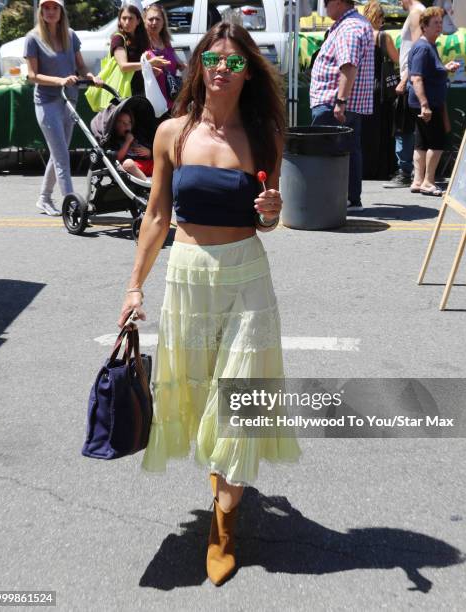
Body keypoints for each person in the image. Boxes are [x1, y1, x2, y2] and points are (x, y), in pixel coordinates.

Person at [117, 22, 301, 586]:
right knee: (201, 393)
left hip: (247, 279)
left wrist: (269, 209)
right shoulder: (174, 132)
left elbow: (267, 221)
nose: (224, 70)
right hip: (189, 278)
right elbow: (155, 217)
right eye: (214, 61)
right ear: (199, 67)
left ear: (249, 73)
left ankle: (224, 524)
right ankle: (222, 483)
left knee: (240, 401)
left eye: (236, 63)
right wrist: (133, 287)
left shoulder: (265, 133)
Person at [24, 0, 102, 216]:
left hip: (69, 99)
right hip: (47, 102)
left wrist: (90, 76)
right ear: (40, 11)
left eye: (54, 7)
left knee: (59, 154)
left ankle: (44, 198)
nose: (50, 12)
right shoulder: (33, 38)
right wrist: (59, 81)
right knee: (62, 157)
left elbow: (80, 65)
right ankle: (73, 206)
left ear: (61, 11)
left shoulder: (70, 35)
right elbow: (32, 75)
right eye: (46, 8)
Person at [310, 0, 374, 211]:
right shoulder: (353, 24)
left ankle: (334, 200)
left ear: (337, 2)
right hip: (342, 104)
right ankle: (349, 199)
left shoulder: (349, 26)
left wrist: (341, 101)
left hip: (334, 103)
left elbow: (348, 65)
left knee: (328, 153)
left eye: (326, 3)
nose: (324, 9)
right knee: (348, 150)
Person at [408, 6, 460, 195]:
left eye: (440, 22)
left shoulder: (429, 46)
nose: (439, 26)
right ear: (424, 26)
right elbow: (416, 78)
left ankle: (418, 180)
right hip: (428, 104)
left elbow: (428, 73)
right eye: (435, 23)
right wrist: (425, 105)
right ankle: (428, 182)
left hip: (426, 103)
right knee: (436, 143)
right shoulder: (423, 47)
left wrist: (445, 68)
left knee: (422, 143)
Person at [383, 0, 425, 189]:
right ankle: (411, 171)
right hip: (412, 78)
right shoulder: (418, 12)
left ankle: (406, 171)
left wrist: (404, 79)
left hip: (410, 80)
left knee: (405, 128)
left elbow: (416, 50)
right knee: (410, 128)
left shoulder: (416, 13)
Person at [361, 1, 399, 179]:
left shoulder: (359, 35)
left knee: (365, 132)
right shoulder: (383, 37)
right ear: (378, 17)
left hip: (362, 87)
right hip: (380, 89)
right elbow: (396, 59)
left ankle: (364, 168)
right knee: (382, 130)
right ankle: (381, 168)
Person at [111, 1, 170, 98]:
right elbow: (123, 66)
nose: (127, 22)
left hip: (141, 90)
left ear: (138, 21)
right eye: (124, 18)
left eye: (130, 18)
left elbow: (140, 65)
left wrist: (150, 69)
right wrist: (149, 64)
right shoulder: (118, 39)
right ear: (119, 21)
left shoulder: (141, 39)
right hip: (124, 92)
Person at [143, 3, 186, 111]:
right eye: (150, 19)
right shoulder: (142, 42)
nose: (154, 23)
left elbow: (177, 61)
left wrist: (181, 65)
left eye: (158, 19)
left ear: (163, 22)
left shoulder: (166, 41)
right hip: (153, 99)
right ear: (144, 21)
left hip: (170, 96)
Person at [113, 111, 153, 180]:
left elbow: (151, 154)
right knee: (128, 163)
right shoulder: (114, 141)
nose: (127, 125)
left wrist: (148, 152)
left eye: (129, 122)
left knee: (161, 160)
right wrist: (127, 142)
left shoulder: (138, 136)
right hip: (133, 168)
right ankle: (147, 184)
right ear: (114, 125)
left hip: (146, 164)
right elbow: (117, 159)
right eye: (122, 122)